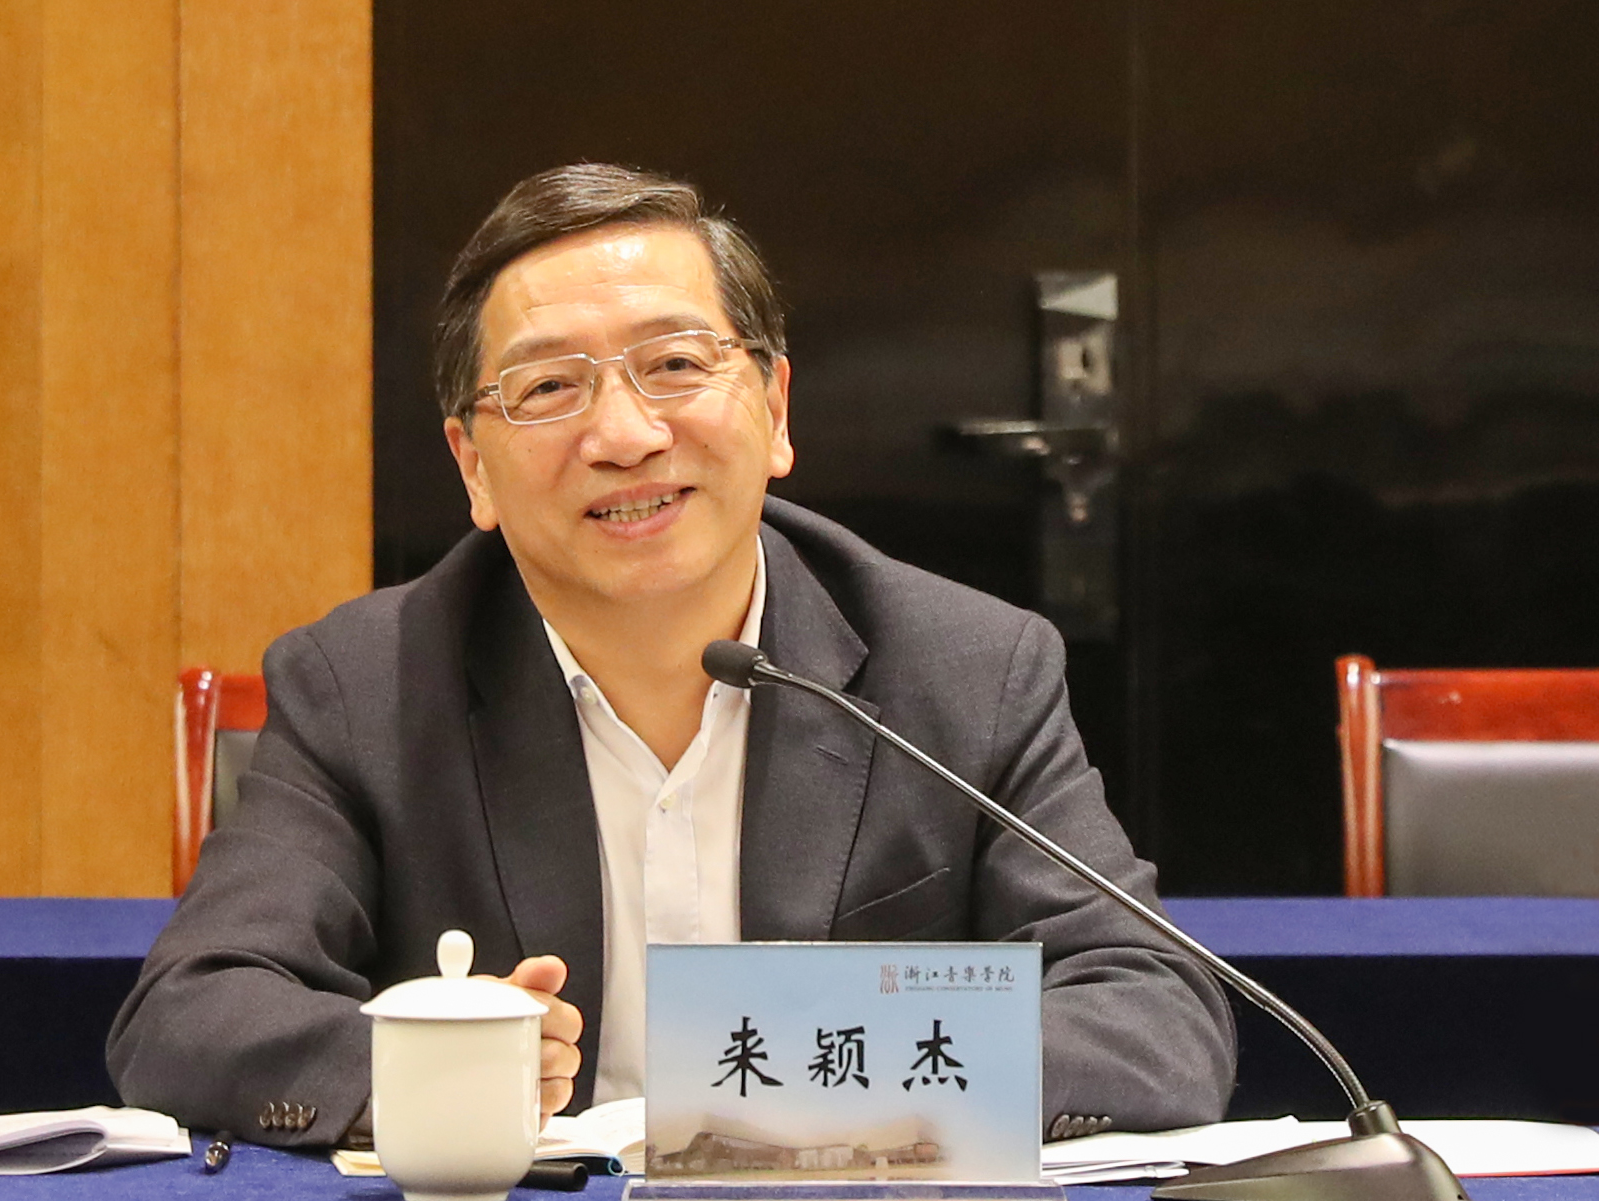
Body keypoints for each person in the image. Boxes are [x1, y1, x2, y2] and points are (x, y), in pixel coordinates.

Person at [107, 163, 1236, 1148]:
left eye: (677, 365)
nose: (625, 435)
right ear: (474, 467)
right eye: (549, 388)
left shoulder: (964, 668)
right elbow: (191, 1013)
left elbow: (1155, 1015)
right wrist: (425, 1066)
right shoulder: (364, 684)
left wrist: (801, 1071)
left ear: (775, 407)